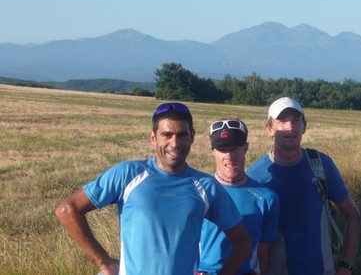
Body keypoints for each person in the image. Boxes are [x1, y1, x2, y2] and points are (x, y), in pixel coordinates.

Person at [55, 102, 251, 275]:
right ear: (153, 137)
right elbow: (68, 210)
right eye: (167, 135)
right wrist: (104, 262)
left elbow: (242, 242)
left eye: (182, 135)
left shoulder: (206, 186)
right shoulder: (128, 175)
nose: (174, 143)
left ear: (192, 137)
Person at [246, 97, 361, 275]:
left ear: (304, 127)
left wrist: (347, 265)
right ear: (269, 129)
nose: (290, 127)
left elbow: (353, 214)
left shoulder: (320, 165)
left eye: (296, 121)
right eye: (282, 121)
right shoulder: (255, 176)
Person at [198, 118, 280, 275]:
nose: (229, 156)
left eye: (235, 148)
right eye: (223, 149)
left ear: (246, 148)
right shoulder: (199, 192)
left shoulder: (267, 198)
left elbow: (263, 255)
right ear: (213, 151)